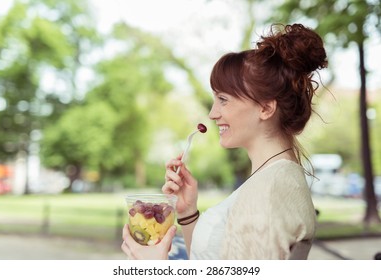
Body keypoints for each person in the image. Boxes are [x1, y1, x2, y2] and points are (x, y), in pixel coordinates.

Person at [122, 23, 328, 260]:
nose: (212, 113)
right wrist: (188, 211)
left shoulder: (268, 192)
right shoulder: (274, 179)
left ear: (265, 108)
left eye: (223, 99)